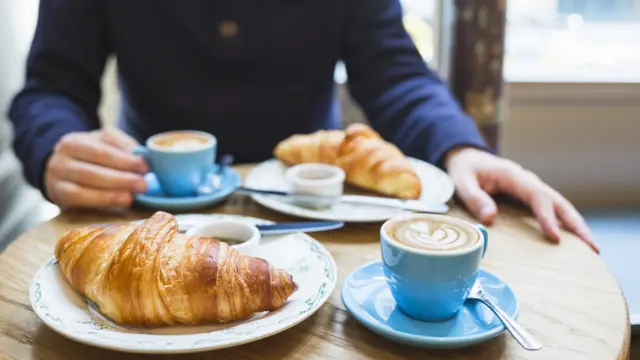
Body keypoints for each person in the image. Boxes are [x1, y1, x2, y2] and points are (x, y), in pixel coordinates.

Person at [8, 0, 598, 253]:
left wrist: (459, 145)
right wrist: (54, 146)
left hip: (319, 222)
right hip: (151, 214)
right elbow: (51, 89)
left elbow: (392, 69)